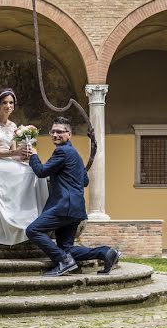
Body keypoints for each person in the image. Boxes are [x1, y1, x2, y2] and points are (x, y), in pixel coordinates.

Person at [25, 117, 121, 277]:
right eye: (53, 131)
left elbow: (41, 171)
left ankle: (64, 261)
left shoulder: (62, 151)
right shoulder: (75, 154)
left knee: (33, 230)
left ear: (69, 134)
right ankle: (105, 252)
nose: (55, 134)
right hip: (75, 208)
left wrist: (33, 155)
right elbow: (84, 181)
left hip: (64, 206)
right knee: (66, 248)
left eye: (60, 132)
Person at [0, 88, 49, 245]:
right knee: (20, 174)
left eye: (11, 103)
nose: (8, 106)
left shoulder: (13, 126)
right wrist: (14, 153)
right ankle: (14, 219)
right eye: (4, 103)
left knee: (32, 171)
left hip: (7, 159)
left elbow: (13, 151)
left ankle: (31, 217)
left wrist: (24, 155)